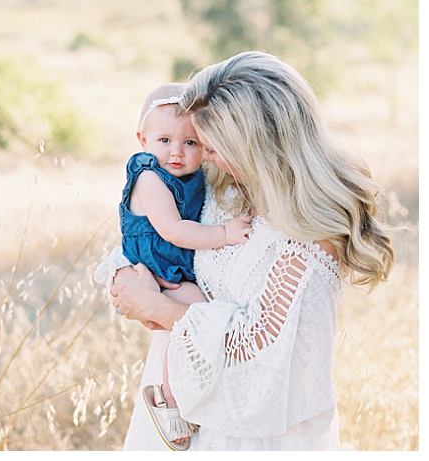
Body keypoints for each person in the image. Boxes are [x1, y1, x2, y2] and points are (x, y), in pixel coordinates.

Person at [104, 51, 393, 450]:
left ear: (259, 144)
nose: (204, 158)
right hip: (181, 403)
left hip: (253, 435)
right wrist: (126, 279)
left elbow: (259, 345)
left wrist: (157, 308)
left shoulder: (310, 233)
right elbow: (152, 238)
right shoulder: (225, 189)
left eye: (214, 147)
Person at [96, 82, 250, 449]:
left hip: (172, 268)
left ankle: (178, 389)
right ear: (142, 139)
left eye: (191, 143)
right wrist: (225, 234)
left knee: (189, 317)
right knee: (194, 313)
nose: (177, 152)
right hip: (158, 268)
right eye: (164, 140)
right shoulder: (149, 178)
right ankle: (169, 396)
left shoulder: (196, 178)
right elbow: (174, 230)